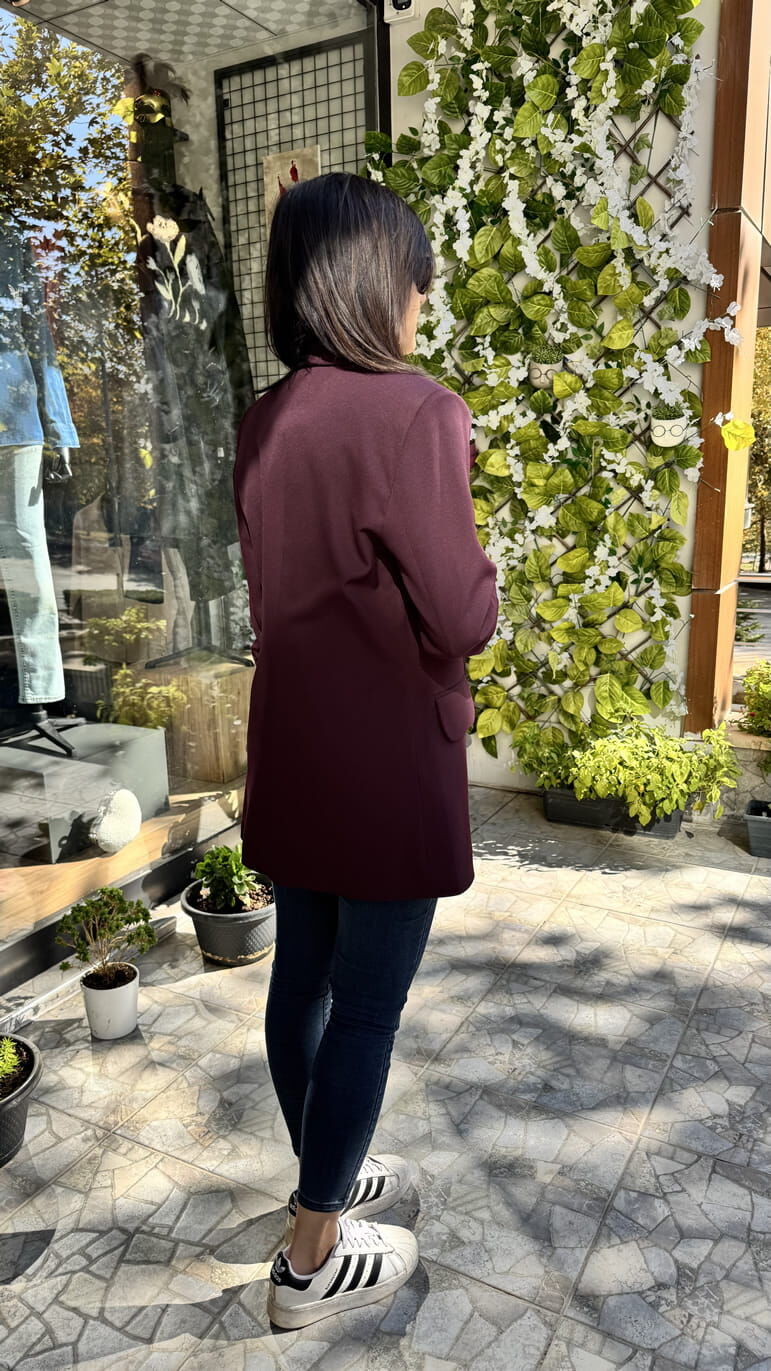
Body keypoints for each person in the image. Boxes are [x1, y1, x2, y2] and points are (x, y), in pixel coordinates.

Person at [233, 172, 499, 1331]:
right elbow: (462, 613)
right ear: (377, 283)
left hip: (296, 749)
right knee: (369, 1010)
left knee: (303, 980)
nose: (423, 303)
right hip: (387, 764)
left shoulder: (264, 419)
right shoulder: (417, 413)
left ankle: (324, 1168)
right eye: (418, 281)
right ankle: (311, 1253)